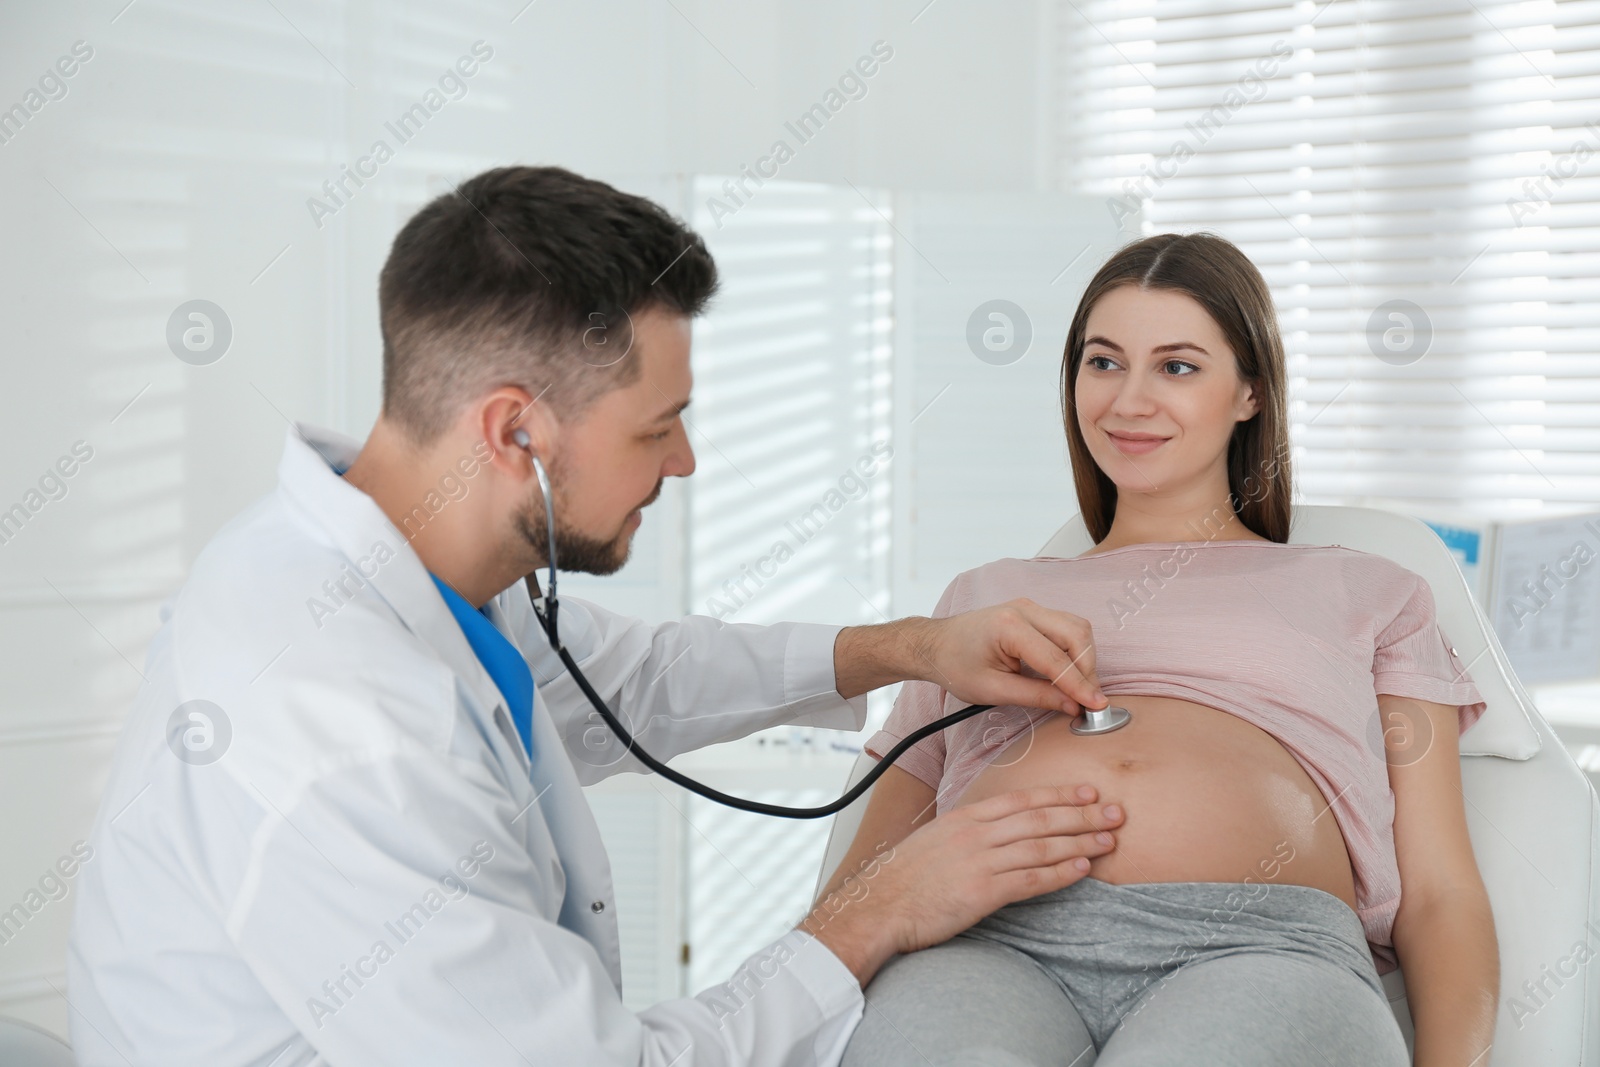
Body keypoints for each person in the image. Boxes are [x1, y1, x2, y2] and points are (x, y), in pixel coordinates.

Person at [63, 165, 1134, 1066]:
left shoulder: (407, 560)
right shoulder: (337, 720)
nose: (684, 460)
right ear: (514, 432)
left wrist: (915, 648)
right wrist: (878, 907)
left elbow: (626, 683)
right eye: (656, 426)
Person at [831, 233, 1500, 1066]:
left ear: (1251, 390)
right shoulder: (982, 601)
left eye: (1177, 367)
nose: (1128, 401)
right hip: (985, 938)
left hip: (1258, 951)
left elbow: (1439, 893)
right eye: (1103, 363)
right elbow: (865, 875)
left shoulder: (1371, 591)